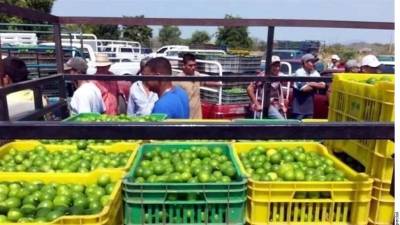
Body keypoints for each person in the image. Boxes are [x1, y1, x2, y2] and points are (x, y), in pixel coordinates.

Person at [292, 53, 326, 119]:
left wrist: (310, 83)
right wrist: (316, 85)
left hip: (310, 109)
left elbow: (323, 86)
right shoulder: (299, 72)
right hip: (299, 109)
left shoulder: (315, 72)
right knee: (297, 128)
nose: (314, 64)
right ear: (305, 63)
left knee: (308, 128)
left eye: (314, 62)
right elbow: (304, 89)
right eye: (311, 62)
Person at [173, 53, 202, 119]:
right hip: (186, 117)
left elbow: (204, 82)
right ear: (183, 65)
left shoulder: (197, 75)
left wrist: (219, 83)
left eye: (194, 65)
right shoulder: (177, 80)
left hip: (198, 116)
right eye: (190, 65)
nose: (193, 68)